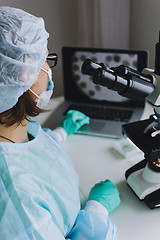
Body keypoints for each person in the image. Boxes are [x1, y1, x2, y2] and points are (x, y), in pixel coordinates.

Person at [0, 6, 121, 240]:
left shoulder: (17, 131)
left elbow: (25, 155)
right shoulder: (17, 199)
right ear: (23, 75)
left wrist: (60, 133)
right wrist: (97, 212)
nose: (48, 70)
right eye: (45, 60)